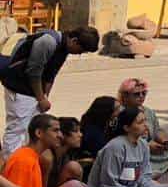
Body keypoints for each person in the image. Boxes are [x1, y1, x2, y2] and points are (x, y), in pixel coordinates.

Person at [2, 26, 99, 162]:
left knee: (32, 129)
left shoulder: (64, 47)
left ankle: (25, 162)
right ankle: (10, 164)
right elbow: (34, 72)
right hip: (20, 88)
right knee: (17, 129)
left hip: (34, 92)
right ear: (75, 41)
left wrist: (45, 97)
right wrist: (41, 98)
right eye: (81, 50)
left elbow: (50, 74)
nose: (79, 54)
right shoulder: (47, 42)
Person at [2, 113, 90, 187]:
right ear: (39, 133)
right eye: (55, 130)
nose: (60, 135)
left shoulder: (33, 156)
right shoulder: (24, 160)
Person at [115, 77, 168, 180]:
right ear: (125, 96)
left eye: (144, 93)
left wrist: (163, 139)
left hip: (152, 148)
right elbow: (121, 136)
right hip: (133, 147)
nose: (141, 96)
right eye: (137, 94)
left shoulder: (148, 111)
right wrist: (146, 145)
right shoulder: (121, 113)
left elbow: (157, 129)